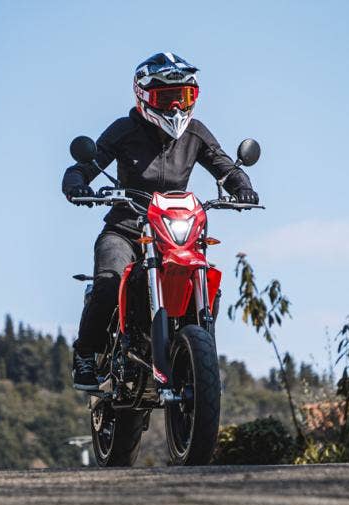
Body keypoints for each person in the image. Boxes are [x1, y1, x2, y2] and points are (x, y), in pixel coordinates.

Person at [62, 52, 259, 389]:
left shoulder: (195, 133)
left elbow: (226, 167)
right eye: (166, 98)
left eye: (183, 97)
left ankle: (197, 358)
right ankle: (85, 354)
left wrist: (243, 187)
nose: (176, 107)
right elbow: (84, 166)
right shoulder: (124, 130)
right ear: (144, 97)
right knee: (109, 280)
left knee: (207, 277)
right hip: (126, 230)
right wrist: (77, 184)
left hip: (175, 235)